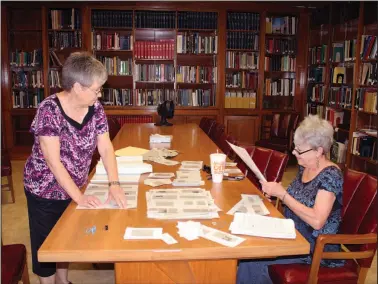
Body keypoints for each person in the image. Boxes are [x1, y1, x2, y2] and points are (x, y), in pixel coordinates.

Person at [23, 52, 127, 284]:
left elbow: (106, 148)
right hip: (44, 190)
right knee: (47, 245)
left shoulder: (95, 108)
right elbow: (53, 162)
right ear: (78, 87)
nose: (100, 94)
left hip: (74, 185)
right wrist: (79, 198)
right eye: (97, 89)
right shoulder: (49, 110)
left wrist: (115, 184)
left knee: (66, 238)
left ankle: (63, 281)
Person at [237, 115, 344, 284]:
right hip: (291, 234)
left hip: (315, 248)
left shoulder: (331, 176)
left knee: (252, 263)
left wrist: (283, 195)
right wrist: (275, 192)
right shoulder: (306, 167)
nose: (294, 153)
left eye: (300, 150)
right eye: (295, 148)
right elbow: (298, 198)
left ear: (318, 151)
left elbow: (317, 221)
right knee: (248, 249)